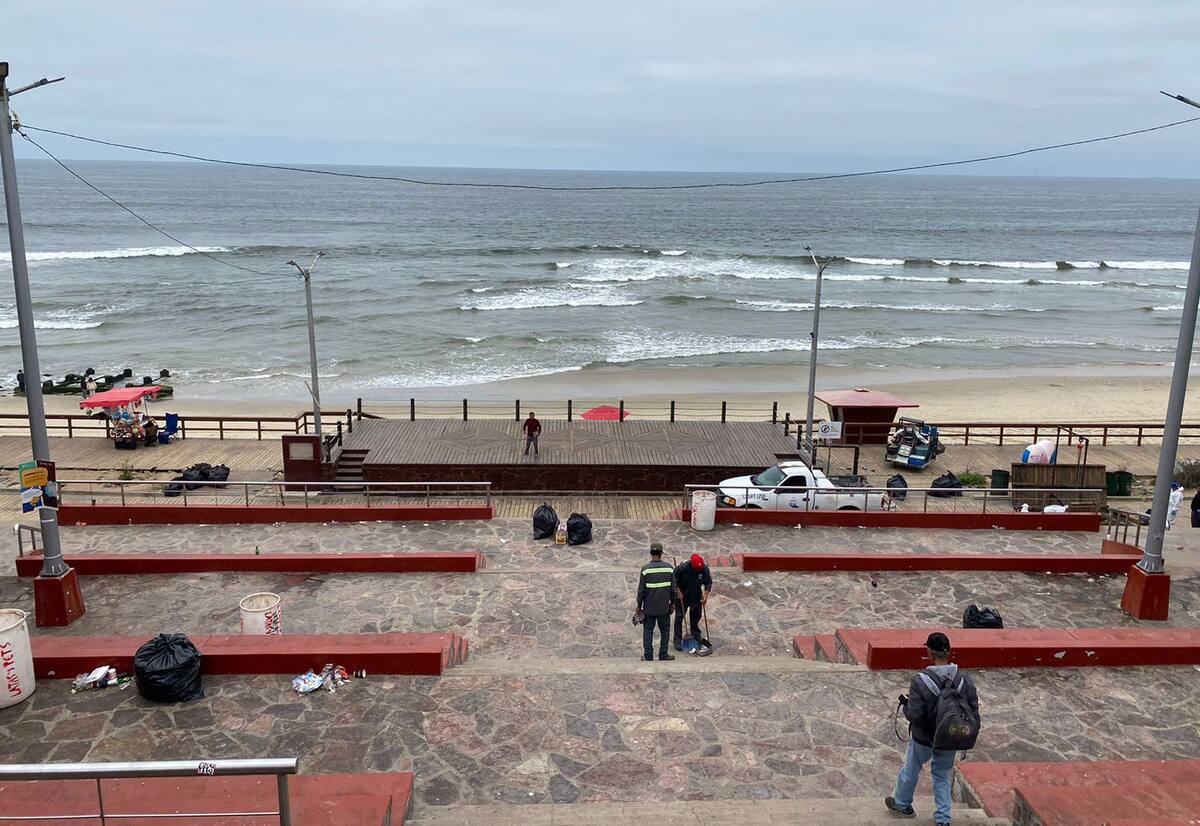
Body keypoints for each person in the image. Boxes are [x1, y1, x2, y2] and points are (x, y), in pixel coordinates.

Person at [886, 632, 980, 826]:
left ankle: (902, 803)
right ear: (949, 652)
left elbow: (914, 715)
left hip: (924, 737)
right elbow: (973, 710)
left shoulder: (920, 680)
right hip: (949, 735)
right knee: (941, 774)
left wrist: (905, 705)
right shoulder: (964, 680)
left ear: (929, 652)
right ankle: (943, 818)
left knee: (911, 768)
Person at [635, 542, 675, 661]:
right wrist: (672, 603)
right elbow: (673, 590)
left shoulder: (645, 570)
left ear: (651, 553)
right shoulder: (669, 568)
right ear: (661, 553)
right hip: (663, 608)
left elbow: (641, 591)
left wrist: (638, 606)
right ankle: (663, 655)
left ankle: (648, 656)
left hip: (649, 608)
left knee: (648, 631)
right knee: (665, 630)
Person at [673, 553, 712, 650]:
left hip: (696, 595)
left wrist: (705, 596)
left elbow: (708, 582)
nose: (698, 570)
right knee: (679, 616)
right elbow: (674, 579)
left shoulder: (704, 569)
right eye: (696, 569)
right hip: (682, 595)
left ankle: (696, 635)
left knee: (696, 616)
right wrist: (678, 591)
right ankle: (677, 639)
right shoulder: (683, 568)